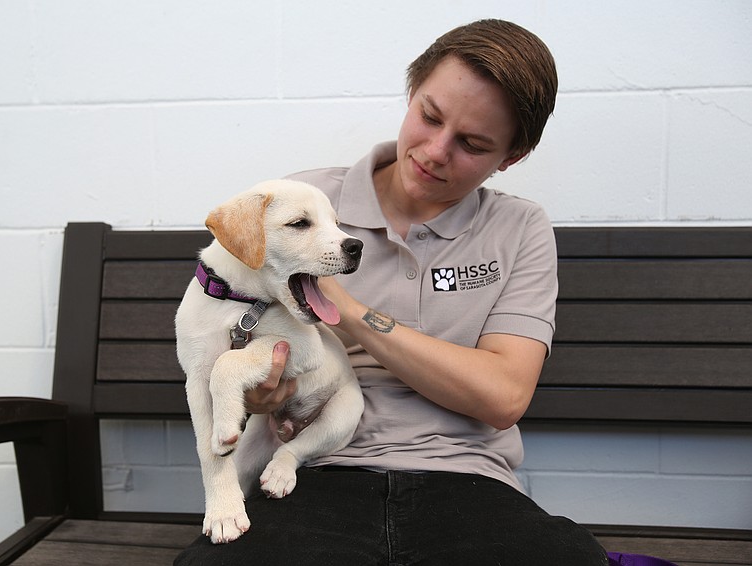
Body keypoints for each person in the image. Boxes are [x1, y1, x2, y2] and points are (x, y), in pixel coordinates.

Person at [175, 19, 609, 566]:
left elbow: (503, 397)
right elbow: (231, 339)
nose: (434, 151)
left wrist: (346, 311)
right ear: (411, 93)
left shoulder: (519, 228)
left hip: (464, 476)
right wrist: (257, 393)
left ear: (511, 158)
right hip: (311, 470)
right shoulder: (305, 206)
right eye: (429, 116)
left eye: (472, 144)